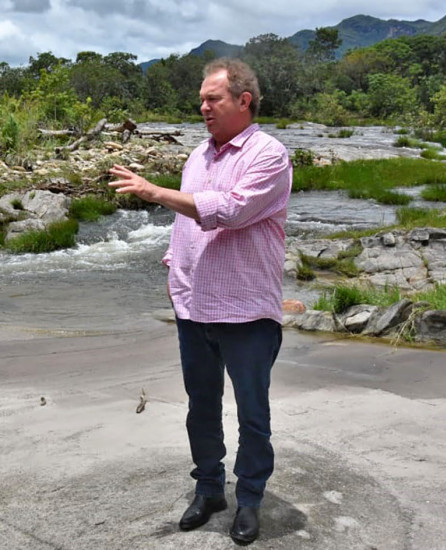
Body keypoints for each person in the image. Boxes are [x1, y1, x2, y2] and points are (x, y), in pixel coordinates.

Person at [108, 58, 292, 545]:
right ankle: (210, 488)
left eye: (213, 99)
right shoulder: (198, 156)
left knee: (253, 414)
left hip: (247, 312)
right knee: (201, 407)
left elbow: (229, 211)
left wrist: (154, 190)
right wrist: (175, 266)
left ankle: (249, 499)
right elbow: (186, 225)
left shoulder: (268, 155)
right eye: (202, 100)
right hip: (194, 309)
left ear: (243, 101)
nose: (203, 107)